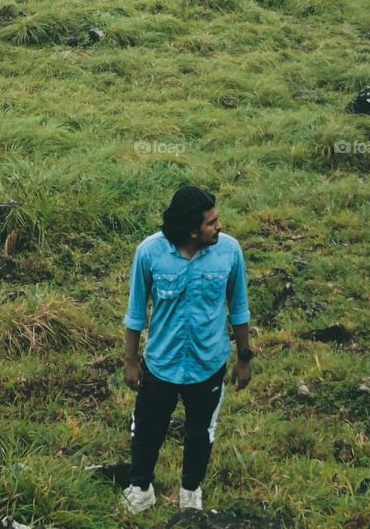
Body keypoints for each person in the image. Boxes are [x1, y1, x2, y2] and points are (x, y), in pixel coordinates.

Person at [121, 186, 252, 516]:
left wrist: (244, 358)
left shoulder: (230, 252)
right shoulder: (150, 253)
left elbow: (239, 308)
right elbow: (136, 313)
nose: (219, 226)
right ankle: (140, 489)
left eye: (217, 219)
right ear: (192, 229)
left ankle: (190, 494)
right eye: (211, 223)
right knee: (148, 428)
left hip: (208, 363)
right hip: (161, 363)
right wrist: (131, 360)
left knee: (200, 432)